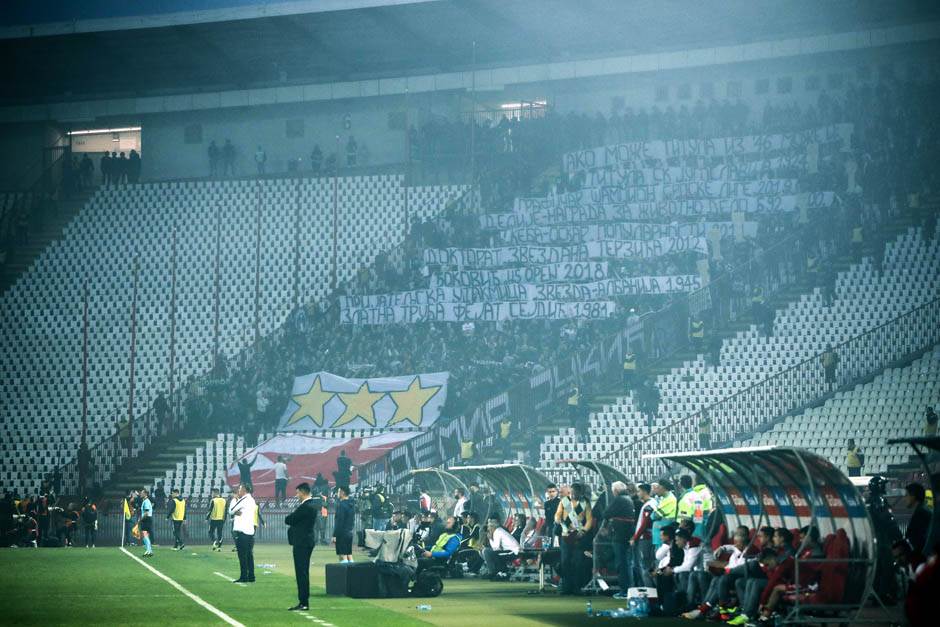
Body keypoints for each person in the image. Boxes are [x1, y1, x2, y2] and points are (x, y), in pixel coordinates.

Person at [285, 483, 319, 611]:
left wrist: (292, 516)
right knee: (303, 572)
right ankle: (304, 601)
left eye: (298, 492)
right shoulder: (311, 505)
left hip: (302, 542)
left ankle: (303, 602)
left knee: (301, 572)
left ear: (303, 492)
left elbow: (289, 519)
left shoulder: (306, 507)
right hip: (306, 541)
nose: (296, 495)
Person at [555, 482, 593, 595]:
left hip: (579, 536)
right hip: (566, 535)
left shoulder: (585, 503)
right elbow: (557, 515)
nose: (573, 494)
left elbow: (589, 519)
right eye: (572, 492)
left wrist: (584, 531)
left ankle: (577, 587)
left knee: (578, 562)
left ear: (580, 493)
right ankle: (566, 587)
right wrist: (559, 520)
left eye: (575, 493)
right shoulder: (564, 501)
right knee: (565, 562)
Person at [604, 481, 636, 599]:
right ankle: (629, 589)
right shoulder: (628, 499)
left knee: (621, 564)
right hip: (627, 535)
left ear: (615, 491)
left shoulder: (620, 500)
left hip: (620, 536)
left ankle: (624, 590)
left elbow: (606, 513)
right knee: (627, 563)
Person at [229, 483, 258, 583]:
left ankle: (243, 576)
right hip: (250, 531)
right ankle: (251, 576)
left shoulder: (244, 499)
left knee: (242, 556)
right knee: (249, 555)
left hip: (242, 532)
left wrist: (234, 502)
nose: (238, 491)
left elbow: (231, 510)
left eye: (240, 489)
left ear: (244, 490)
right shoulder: (252, 500)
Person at [631, 482, 656, 587]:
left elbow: (644, 524)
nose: (638, 493)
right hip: (648, 537)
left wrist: (635, 538)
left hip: (645, 539)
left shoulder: (649, 505)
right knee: (649, 564)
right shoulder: (652, 503)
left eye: (639, 491)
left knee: (645, 565)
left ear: (645, 492)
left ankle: (649, 591)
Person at [483, 514, 521, 580]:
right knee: (487, 551)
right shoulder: (497, 531)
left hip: (513, 551)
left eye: (489, 526)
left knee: (487, 551)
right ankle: (498, 572)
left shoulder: (498, 531)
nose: (488, 527)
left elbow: (496, 548)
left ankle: (494, 572)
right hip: (509, 551)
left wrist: (490, 538)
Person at [904, 483, 932, 559]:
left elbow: (919, 539)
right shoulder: (922, 511)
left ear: (913, 496)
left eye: (907, 495)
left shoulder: (921, 513)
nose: (904, 498)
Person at [332, 485, 355, 563]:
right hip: (349, 532)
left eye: (338, 491)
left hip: (342, 533)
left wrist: (335, 535)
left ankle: (344, 574)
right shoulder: (351, 504)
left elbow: (339, 521)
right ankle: (353, 573)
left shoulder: (341, 505)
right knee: (349, 555)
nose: (337, 493)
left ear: (342, 493)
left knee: (343, 556)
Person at [139, 488, 154, 557]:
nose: (140, 494)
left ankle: (148, 550)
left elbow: (146, 512)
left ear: (145, 494)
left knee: (144, 535)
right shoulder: (145, 501)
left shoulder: (146, 501)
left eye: (141, 493)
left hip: (146, 519)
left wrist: (141, 519)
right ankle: (149, 551)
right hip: (147, 519)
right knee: (145, 535)